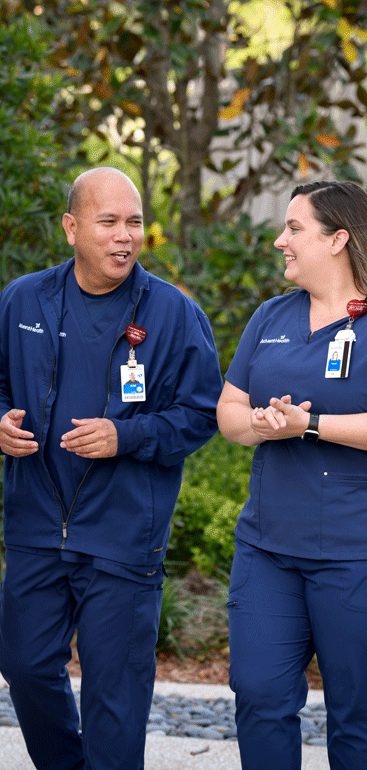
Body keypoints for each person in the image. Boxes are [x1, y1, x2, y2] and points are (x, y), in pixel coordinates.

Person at [0, 167, 223, 769]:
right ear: (71, 228)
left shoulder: (171, 313)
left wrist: (125, 435)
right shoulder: (24, 298)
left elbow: (202, 413)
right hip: (37, 525)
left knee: (114, 693)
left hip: (123, 533)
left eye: (134, 223)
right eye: (108, 222)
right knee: (24, 664)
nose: (123, 236)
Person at [216, 180, 367, 770]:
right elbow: (228, 411)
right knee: (258, 695)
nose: (281, 241)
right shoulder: (270, 316)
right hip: (267, 548)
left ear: (339, 240)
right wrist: (258, 423)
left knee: (356, 714)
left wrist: (308, 425)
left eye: (294, 229)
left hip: (353, 554)